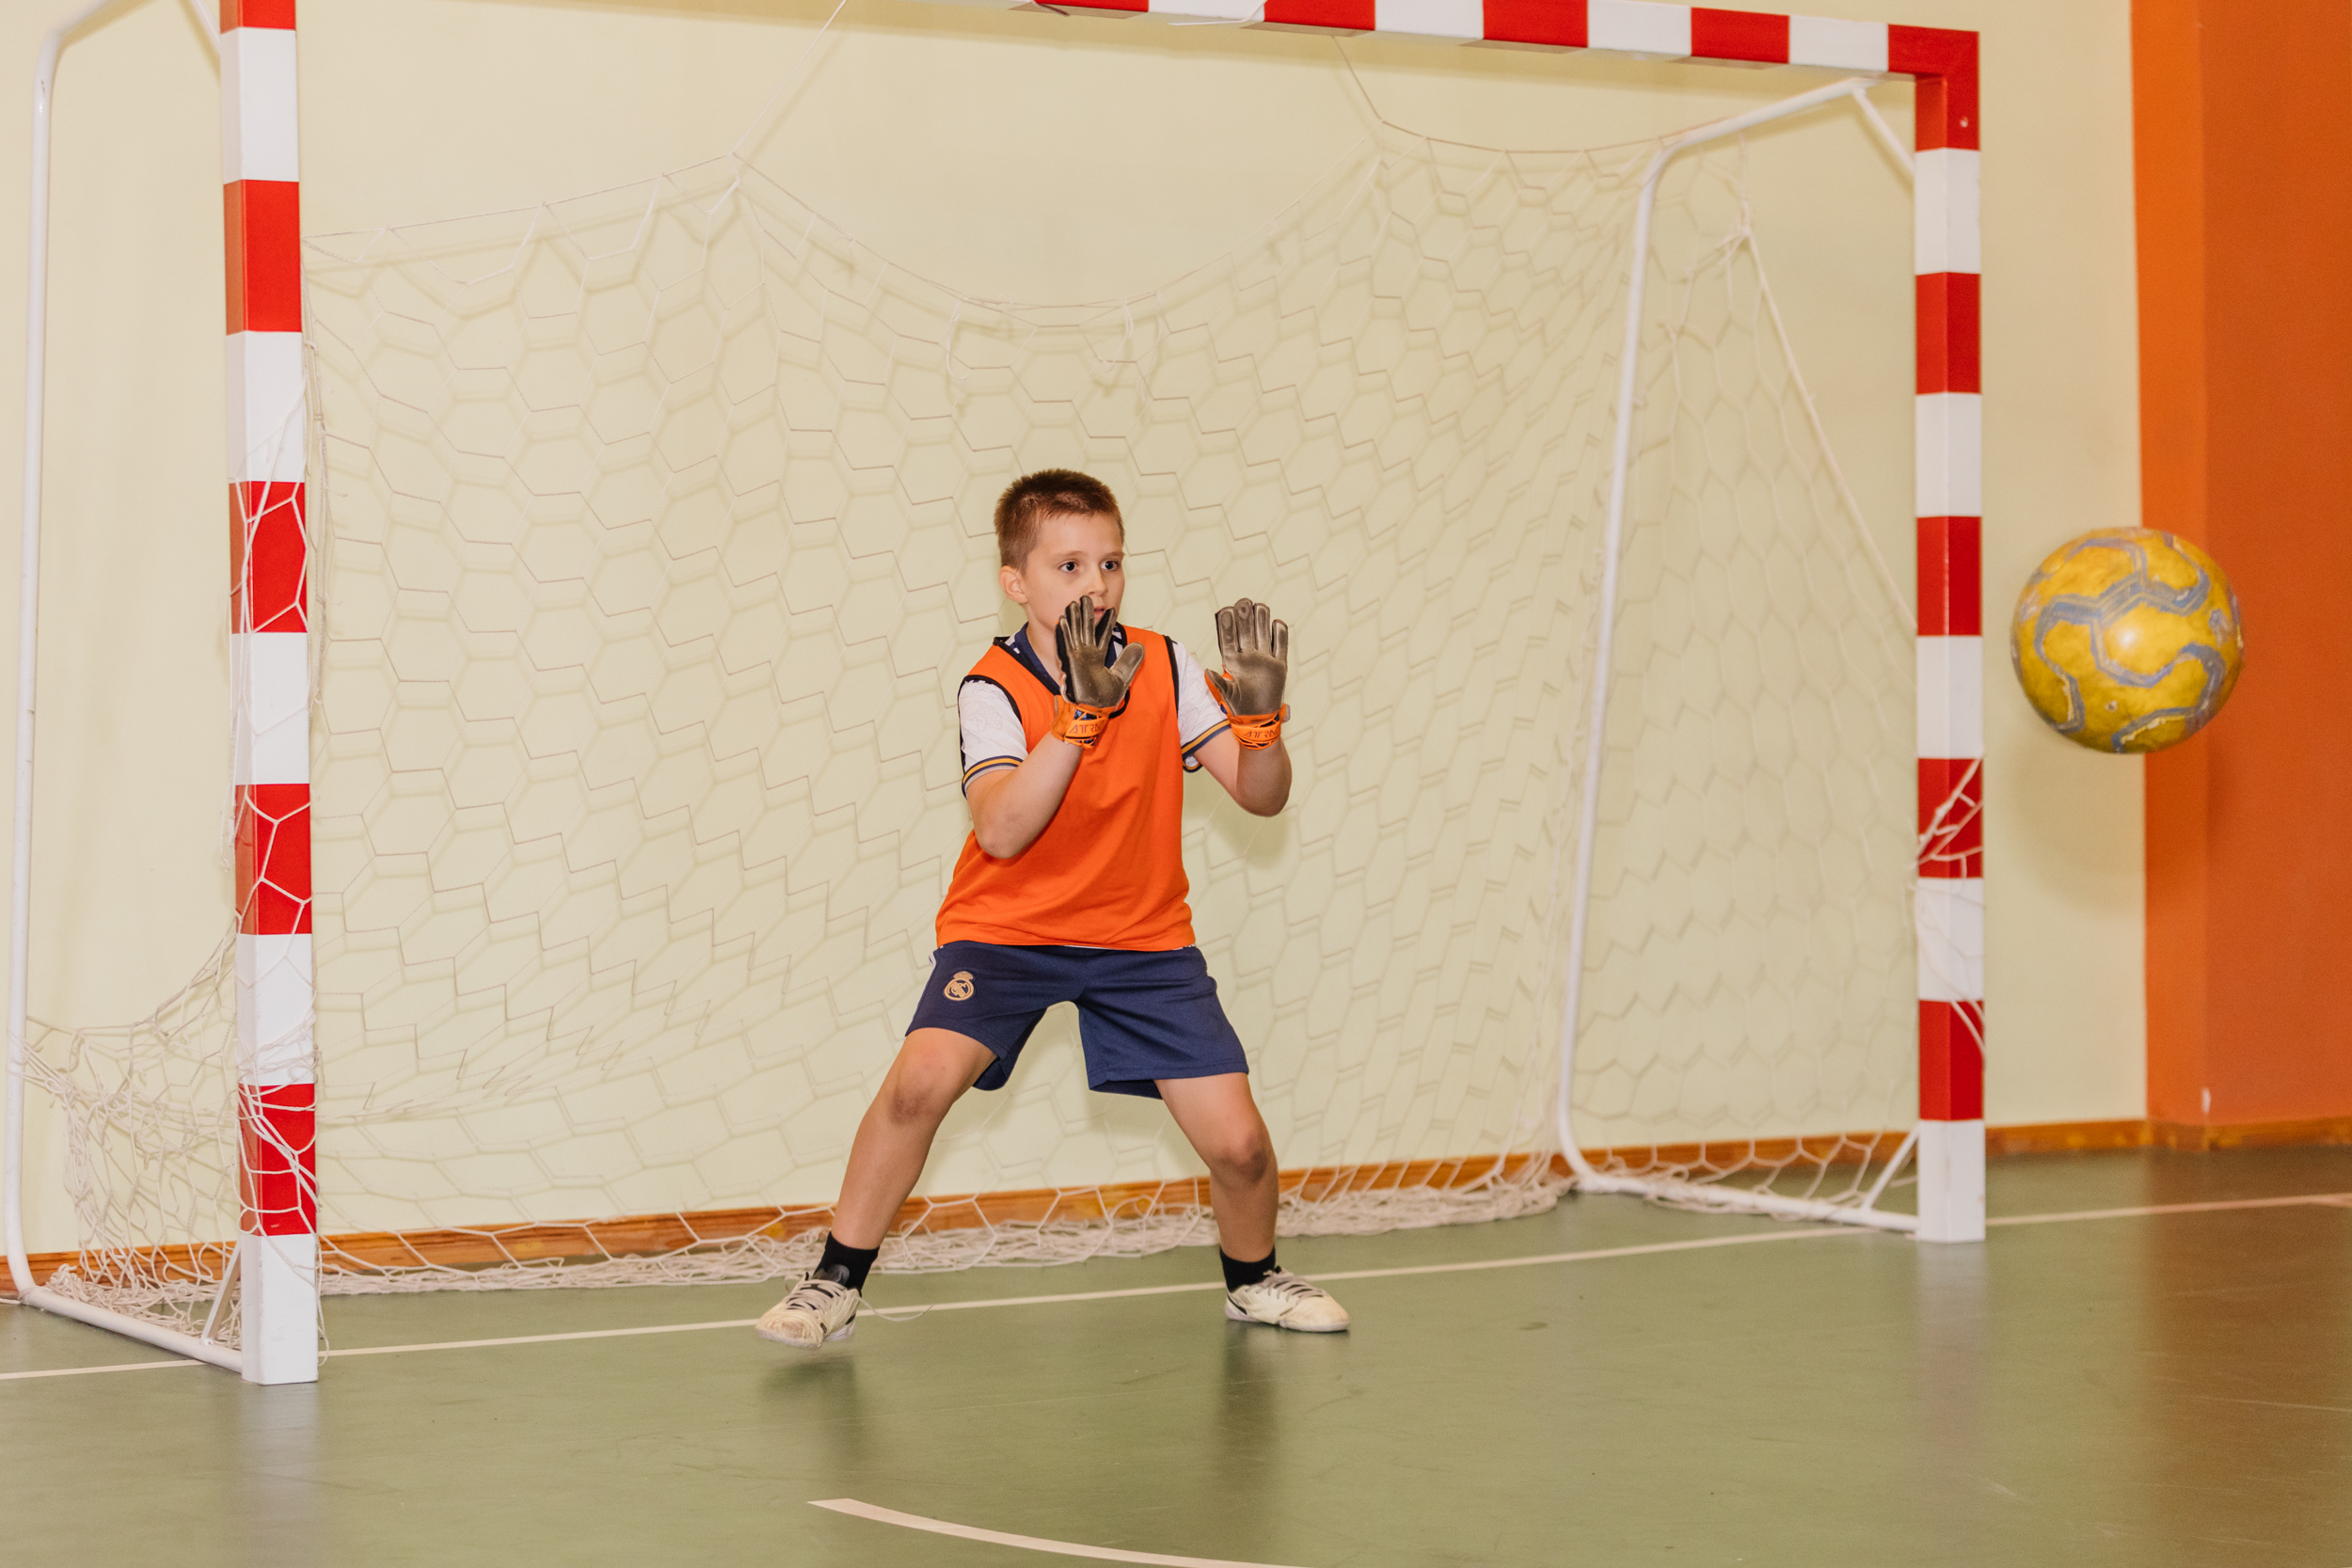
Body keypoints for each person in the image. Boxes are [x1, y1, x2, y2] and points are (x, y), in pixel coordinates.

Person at [756, 468, 1348, 1347]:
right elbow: (1002, 829)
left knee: (1242, 1148)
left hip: (1141, 940)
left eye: (1110, 562)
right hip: (1008, 933)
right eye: (1069, 566)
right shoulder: (991, 686)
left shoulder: (1166, 663)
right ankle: (833, 1282)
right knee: (918, 1087)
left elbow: (1262, 799)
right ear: (1016, 581)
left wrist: (1261, 729)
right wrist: (1075, 717)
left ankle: (1252, 1279)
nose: (1096, 584)